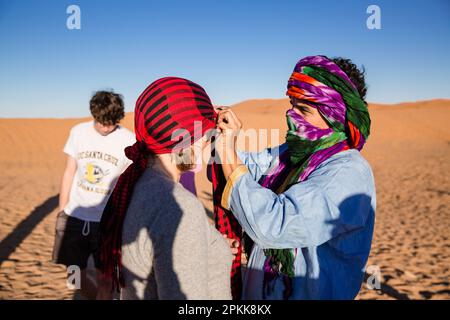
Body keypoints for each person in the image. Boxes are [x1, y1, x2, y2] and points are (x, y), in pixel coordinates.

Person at [213, 55, 376, 299]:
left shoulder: (347, 173)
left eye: (303, 109)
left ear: (334, 114)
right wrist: (213, 134)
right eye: (291, 104)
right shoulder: (292, 153)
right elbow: (246, 166)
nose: (291, 115)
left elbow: (274, 224)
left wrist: (227, 153)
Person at [98, 77, 234, 300]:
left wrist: (207, 244)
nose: (207, 142)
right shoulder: (179, 207)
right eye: (204, 133)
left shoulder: (135, 184)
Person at [52, 91, 135, 299]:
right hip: (75, 216)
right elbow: (69, 171)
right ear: (94, 115)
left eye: (111, 123)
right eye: (101, 122)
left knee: (106, 277)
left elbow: (130, 182)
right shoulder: (78, 132)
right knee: (74, 274)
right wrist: (62, 211)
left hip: (107, 222)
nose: (106, 127)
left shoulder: (128, 139)